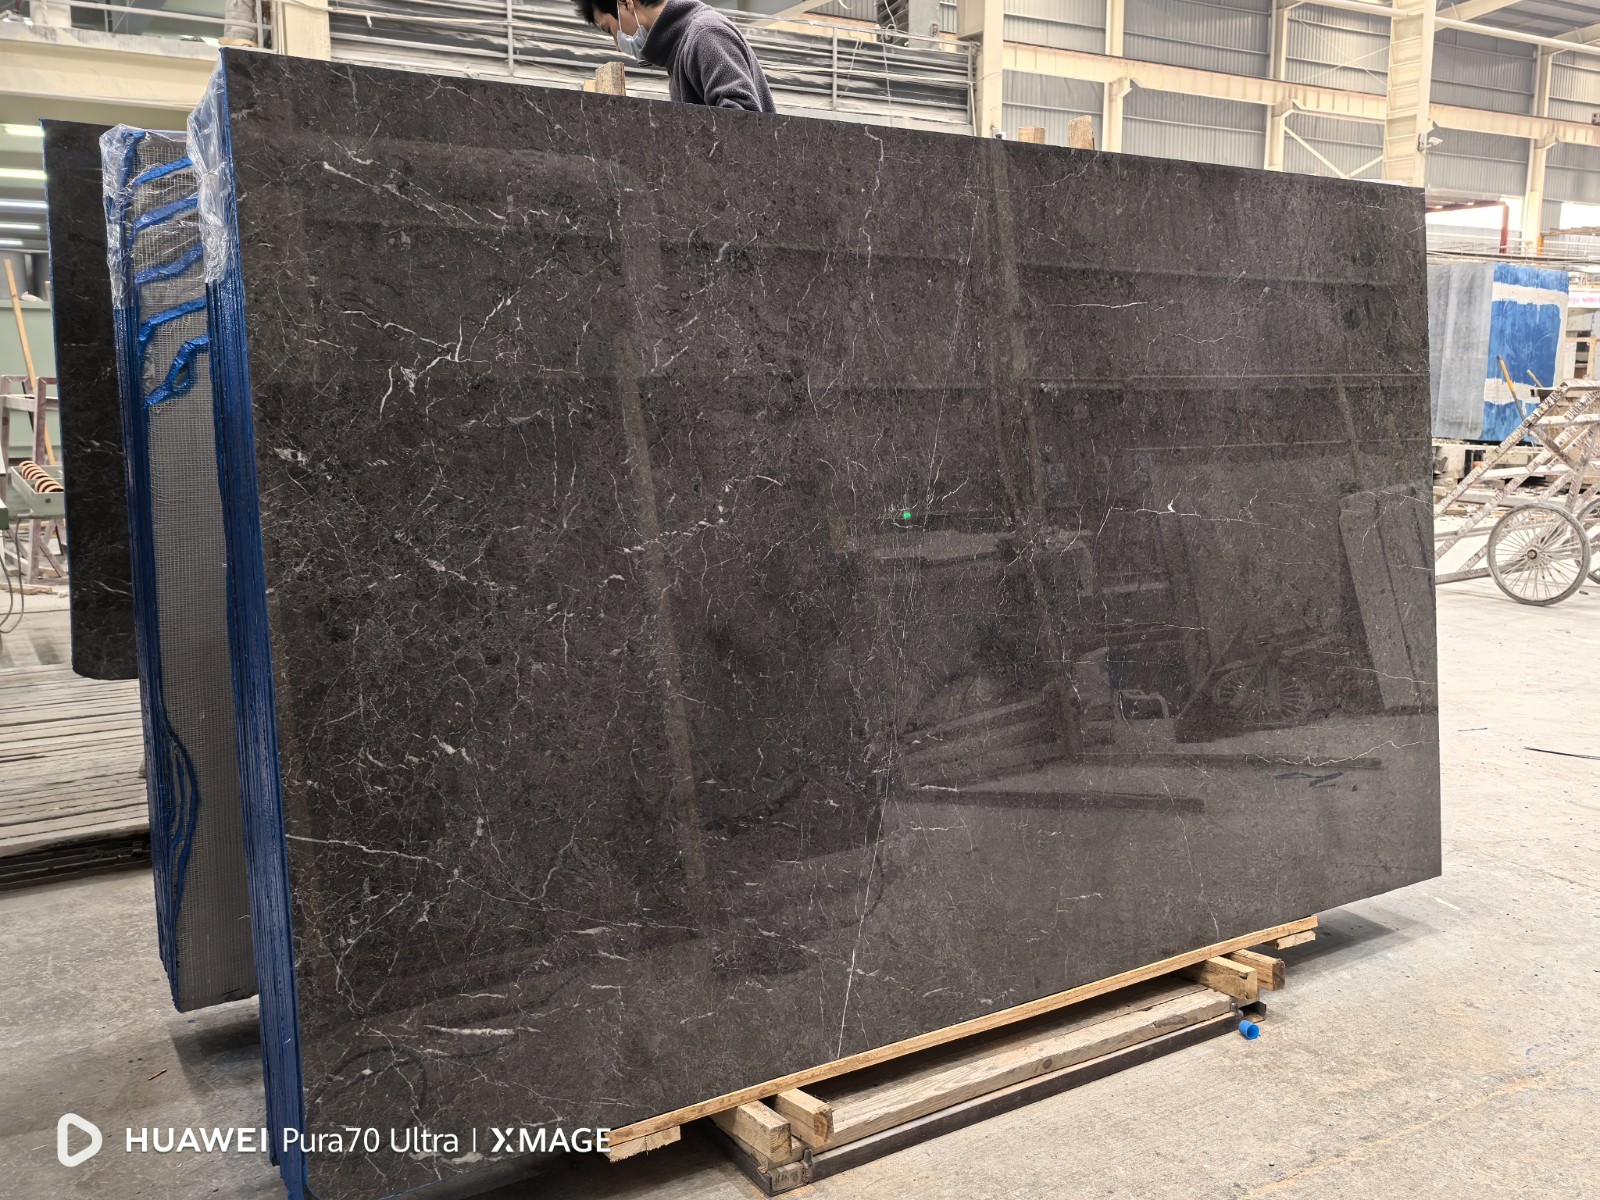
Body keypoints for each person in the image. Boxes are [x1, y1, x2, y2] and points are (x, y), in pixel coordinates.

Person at [574, 0, 776, 114]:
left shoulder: (705, 35)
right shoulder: (678, 52)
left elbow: (744, 122)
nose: (618, 46)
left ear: (626, 4)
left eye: (610, 30)